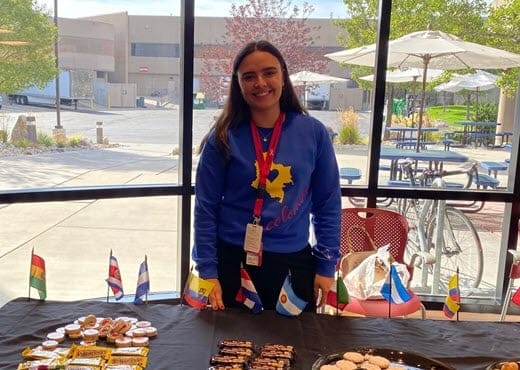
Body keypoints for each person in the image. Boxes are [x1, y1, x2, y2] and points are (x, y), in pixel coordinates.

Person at [192, 40, 341, 312]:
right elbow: (205, 208)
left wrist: (326, 263)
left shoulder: (314, 133)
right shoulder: (223, 137)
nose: (260, 83)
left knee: (294, 349)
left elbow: (327, 204)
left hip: (292, 264)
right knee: (228, 349)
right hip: (230, 262)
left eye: (269, 72)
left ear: (283, 75)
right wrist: (208, 271)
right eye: (249, 77)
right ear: (238, 84)